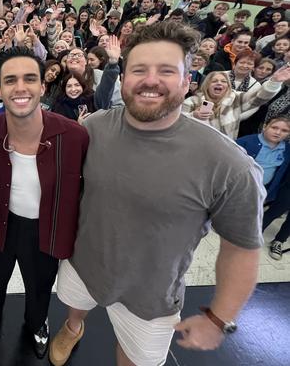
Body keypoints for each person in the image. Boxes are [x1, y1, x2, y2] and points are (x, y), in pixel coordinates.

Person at [50, 22, 268, 366]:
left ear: (187, 80)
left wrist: (218, 318)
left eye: (166, 70)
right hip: (84, 264)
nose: (150, 80)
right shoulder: (93, 129)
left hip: (150, 297)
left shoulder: (229, 165)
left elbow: (242, 248)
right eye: (139, 69)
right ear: (123, 78)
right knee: (75, 305)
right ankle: (73, 327)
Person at [0, 47, 89, 359]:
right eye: (10, 80)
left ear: (43, 86)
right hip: (2, 222)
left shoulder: (75, 136)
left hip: (48, 227)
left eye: (30, 78)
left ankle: (37, 323)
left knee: (40, 284)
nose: (20, 87)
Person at [236, 116, 290, 261]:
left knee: (252, 208)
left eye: (284, 130)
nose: (278, 133)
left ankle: (245, 232)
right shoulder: (246, 141)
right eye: (274, 128)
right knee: (234, 205)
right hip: (241, 186)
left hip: (263, 188)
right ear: (265, 125)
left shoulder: (286, 149)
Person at [183, 69, 288, 139]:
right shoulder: (192, 101)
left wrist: (274, 82)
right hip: (196, 146)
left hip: (224, 149)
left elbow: (258, 98)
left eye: (223, 81)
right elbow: (177, 124)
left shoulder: (236, 99)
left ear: (228, 86)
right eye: (214, 81)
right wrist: (193, 116)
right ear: (207, 85)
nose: (219, 83)